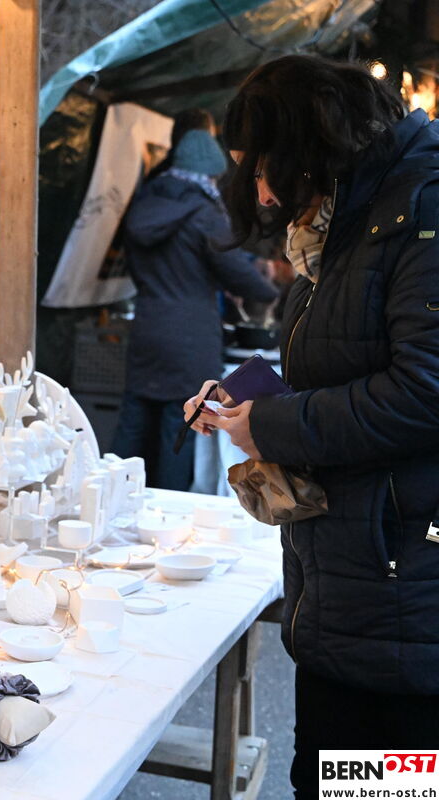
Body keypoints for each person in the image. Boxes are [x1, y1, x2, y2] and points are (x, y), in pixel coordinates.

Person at [184, 55, 439, 796]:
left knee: (384, 787)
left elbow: (425, 392)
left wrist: (273, 425)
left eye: (265, 169)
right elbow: (337, 364)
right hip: (346, 588)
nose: (262, 193)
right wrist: (244, 398)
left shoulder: (421, 212)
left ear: (309, 144)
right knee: (328, 780)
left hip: (406, 597)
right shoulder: (345, 224)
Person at [112, 124, 277, 490]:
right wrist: (270, 290)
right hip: (190, 337)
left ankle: (109, 496)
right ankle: (168, 506)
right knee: (180, 426)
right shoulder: (204, 212)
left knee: (134, 420)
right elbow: (233, 270)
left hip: (147, 328)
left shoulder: (143, 204)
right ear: (209, 173)